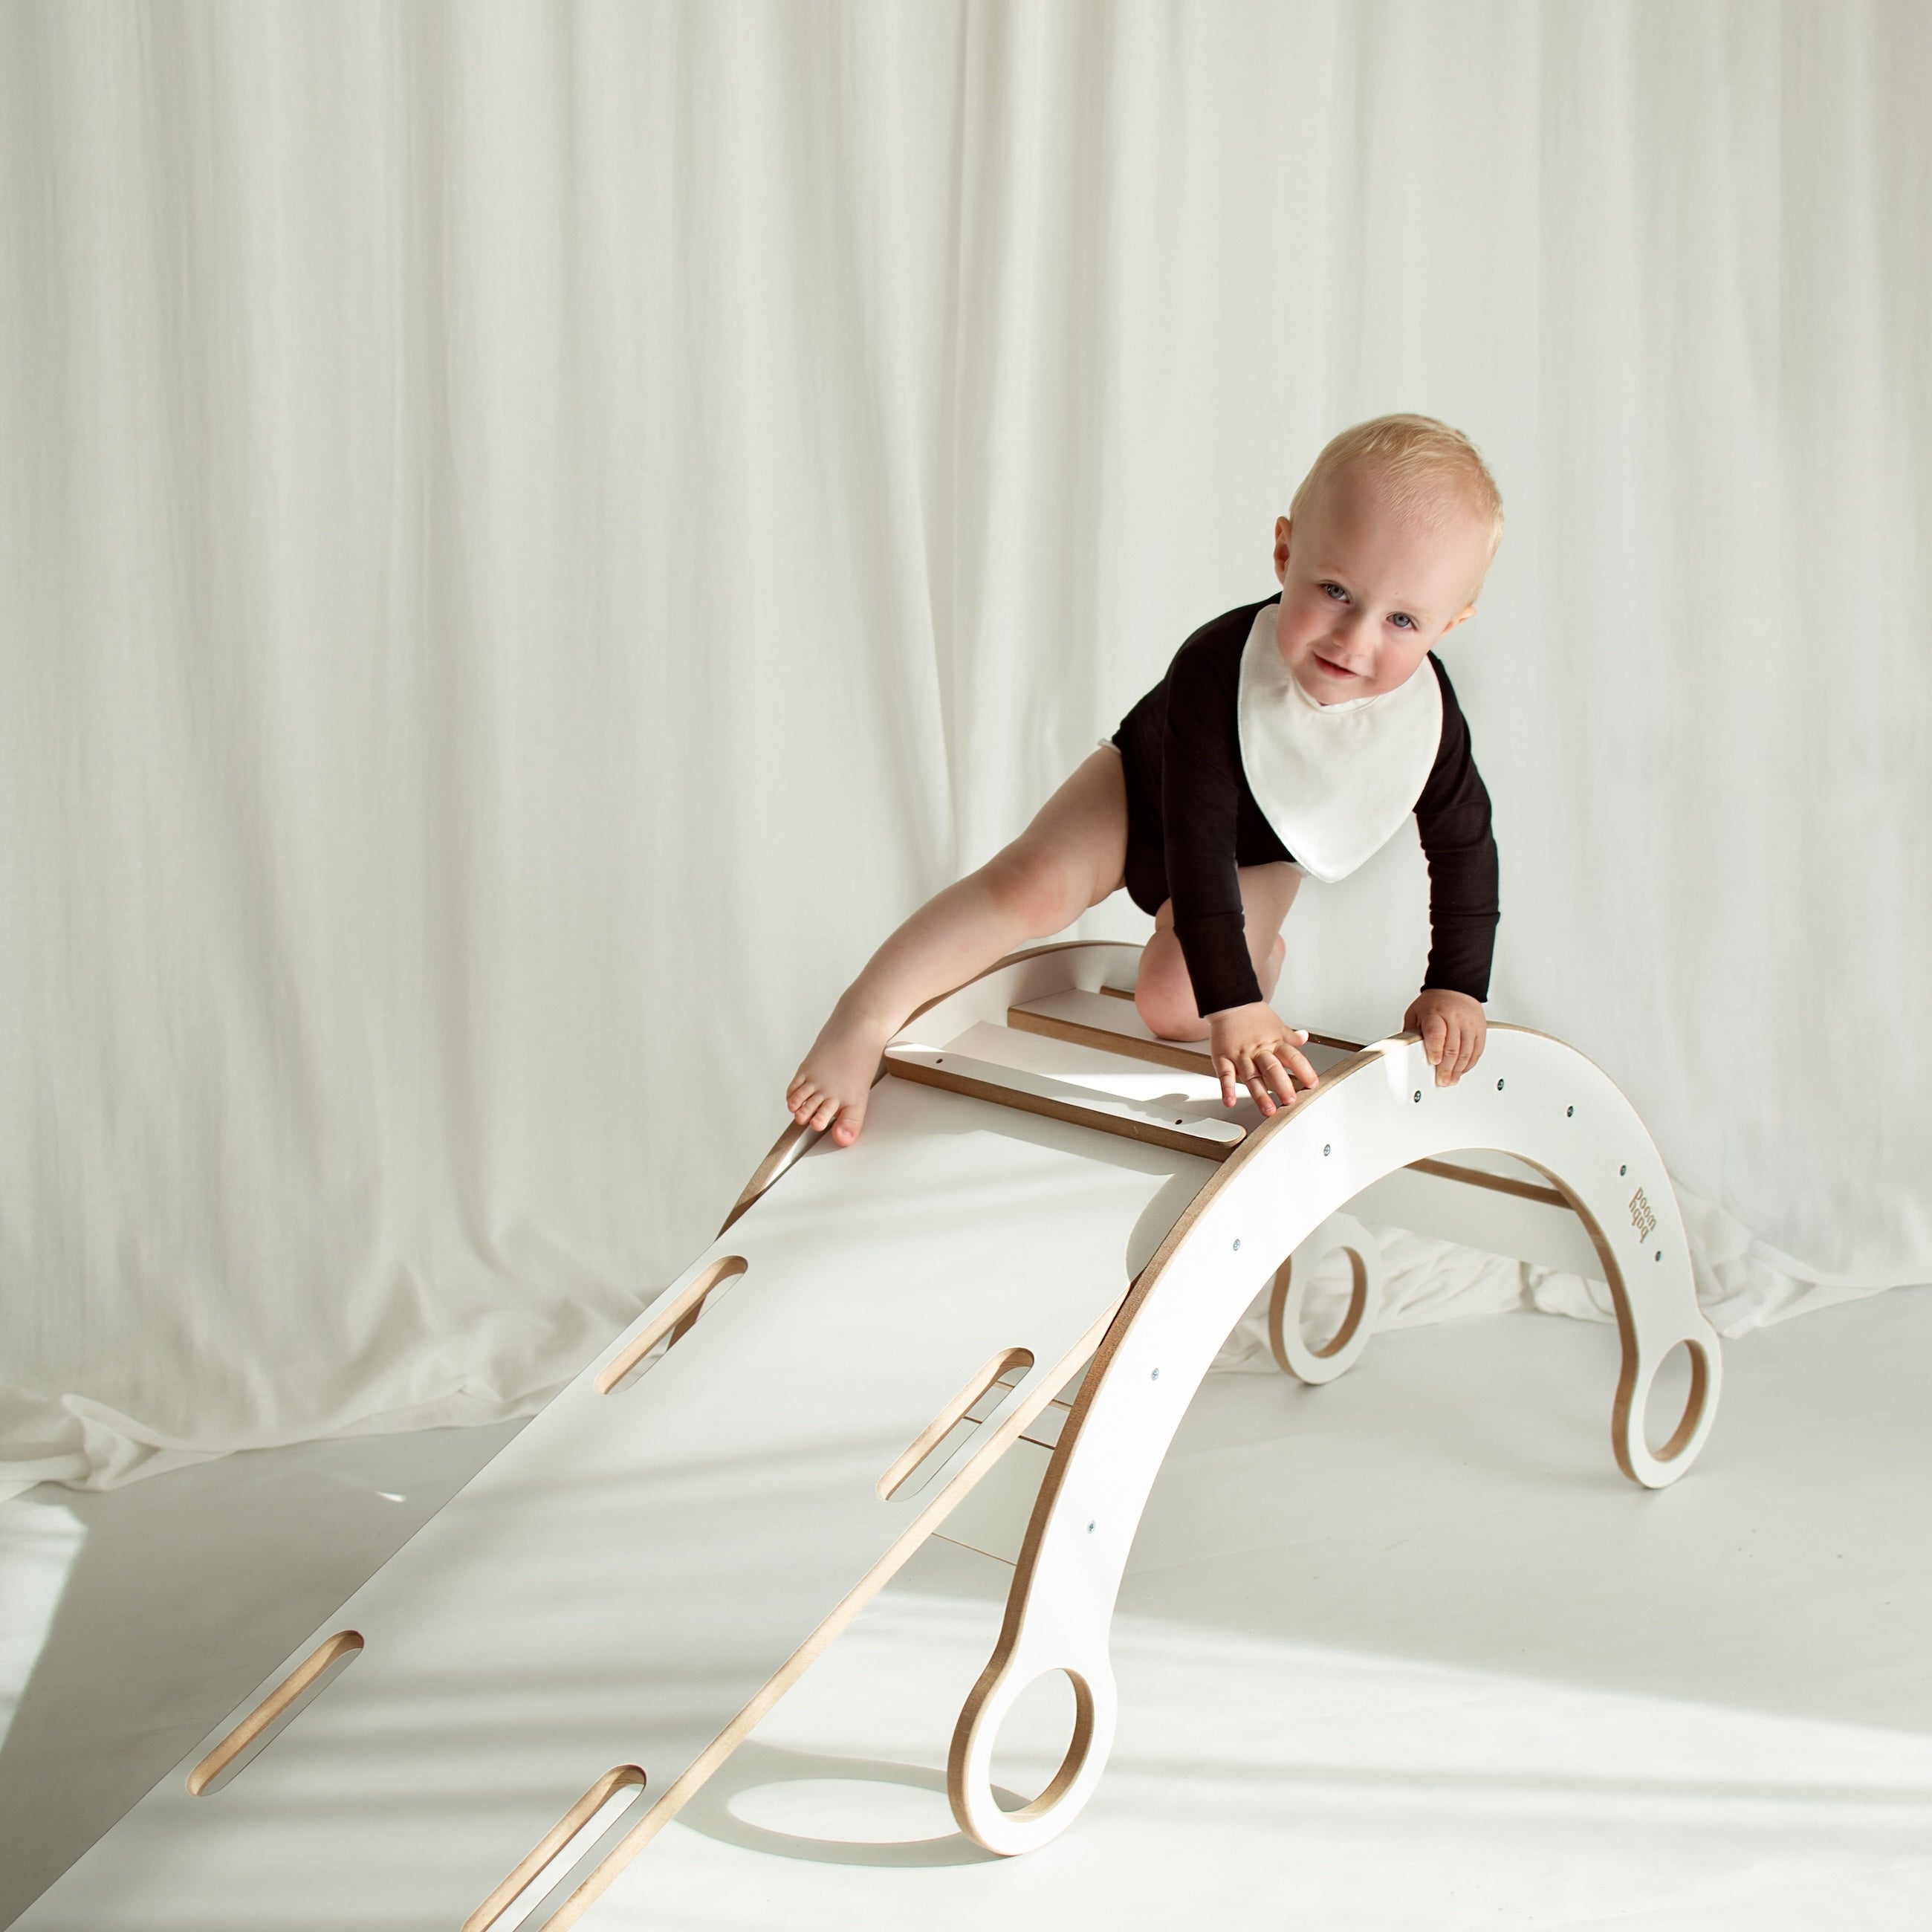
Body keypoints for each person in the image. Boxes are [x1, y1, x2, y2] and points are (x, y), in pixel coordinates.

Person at [788, 413, 1503, 1149]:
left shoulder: (1428, 720)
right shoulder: (1215, 661)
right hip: (1141, 791)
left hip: (1255, 853)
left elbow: (1462, 847)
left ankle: (1254, 953)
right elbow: (1194, 836)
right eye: (1334, 590)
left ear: (1449, 624)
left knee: (1170, 1003)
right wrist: (1238, 1003)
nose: (1353, 641)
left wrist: (1454, 982)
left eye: (1402, 620)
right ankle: (864, 1012)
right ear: (1285, 552)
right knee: (1028, 882)